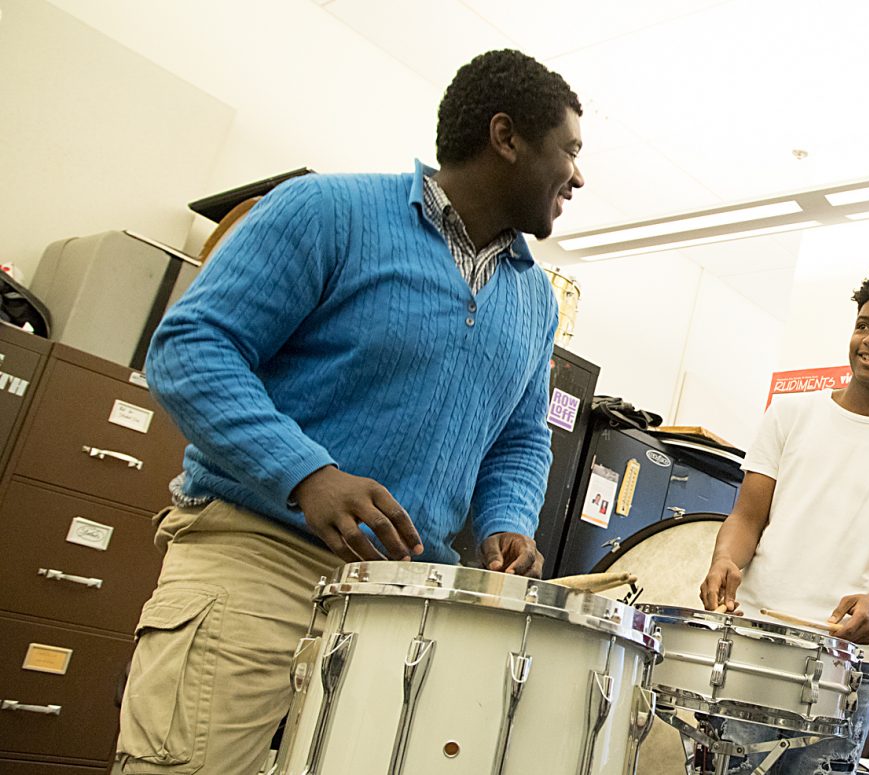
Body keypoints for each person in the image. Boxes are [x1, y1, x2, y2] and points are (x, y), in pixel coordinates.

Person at [117, 49, 584, 774]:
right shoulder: (326, 211)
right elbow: (190, 348)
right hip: (260, 561)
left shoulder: (534, 300)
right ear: (506, 137)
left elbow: (521, 441)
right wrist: (306, 473)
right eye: (570, 151)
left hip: (398, 601)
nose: (578, 177)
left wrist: (508, 522)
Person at [699, 271, 869, 773]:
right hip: (754, 642)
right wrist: (724, 559)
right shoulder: (789, 415)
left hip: (846, 666)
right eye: (864, 325)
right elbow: (747, 518)